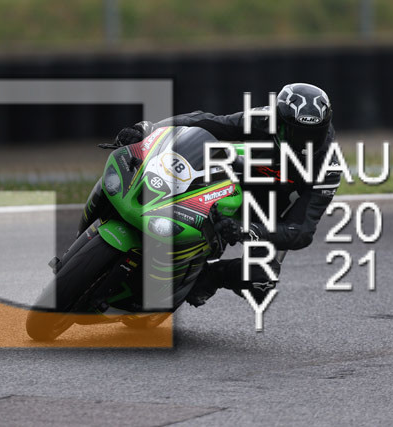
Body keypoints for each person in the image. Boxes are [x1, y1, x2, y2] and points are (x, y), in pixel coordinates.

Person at [114, 83, 341, 306]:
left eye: (313, 135)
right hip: (239, 177)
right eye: (297, 134)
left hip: (272, 214)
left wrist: (247, 230)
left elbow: (301, 231)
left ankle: (209, 275)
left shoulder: (329, 167)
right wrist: (148, 129)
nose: (305, 144)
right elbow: (207, 122)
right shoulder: (263, 120)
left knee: (260, 282)